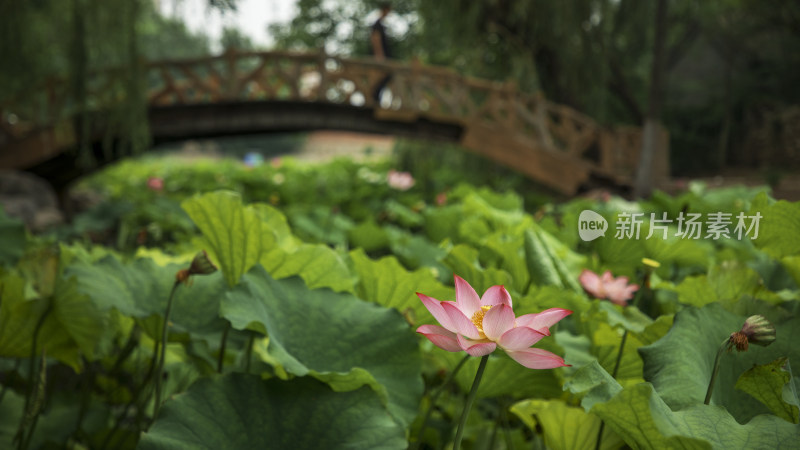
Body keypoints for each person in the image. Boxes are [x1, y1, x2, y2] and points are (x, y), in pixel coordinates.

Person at [370, 2, 392, 105]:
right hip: (381, 57)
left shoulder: (381, 25)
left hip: (383, 56)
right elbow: (375, 39)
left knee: (388, 76)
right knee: (385, 76)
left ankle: (376, 97)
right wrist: (379, 56)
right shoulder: (377, 24)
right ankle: (375, 97)